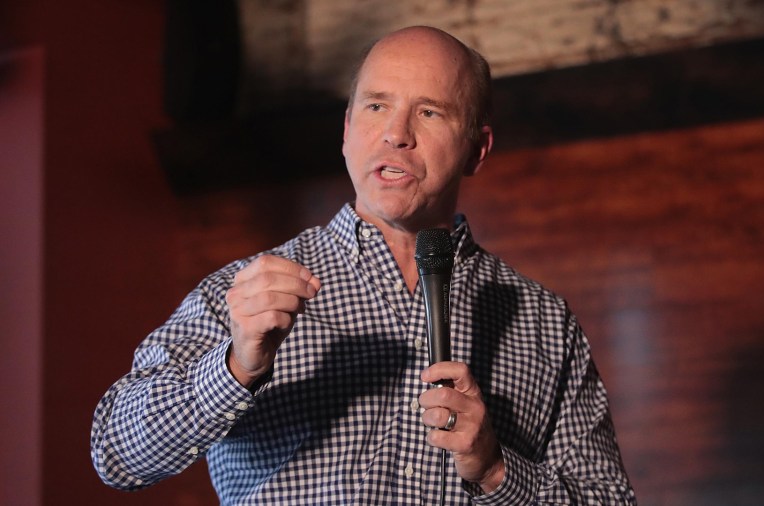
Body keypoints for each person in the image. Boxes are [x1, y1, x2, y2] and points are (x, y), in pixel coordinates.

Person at [91, 26, 637, 504]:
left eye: (429, 111)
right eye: (377, 105)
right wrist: (236, 366)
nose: (397, 133)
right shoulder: (248, 293)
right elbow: (115, 453)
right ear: (347, 129)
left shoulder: (543, 323)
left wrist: (495, 470)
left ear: (477, 148)